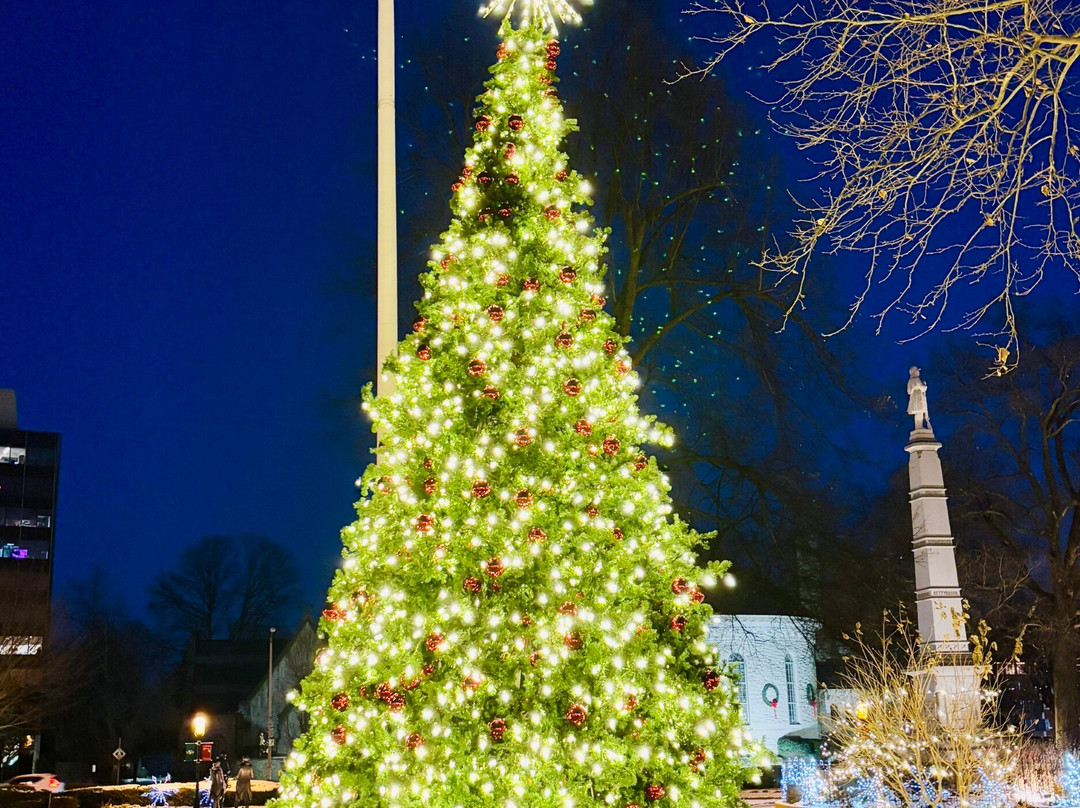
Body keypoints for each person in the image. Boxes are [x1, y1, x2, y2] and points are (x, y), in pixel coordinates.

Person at [907, 366, 931, 431]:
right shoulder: (916, 379)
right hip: (918, 399)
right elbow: (921, 388)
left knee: (919, 412)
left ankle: (919, 427)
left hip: (916, 399)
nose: (918, 372)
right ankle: (919, 427)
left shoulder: (910, 381)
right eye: (917, 371)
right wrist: (923, 386)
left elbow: (909, 391)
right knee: (919, 412)